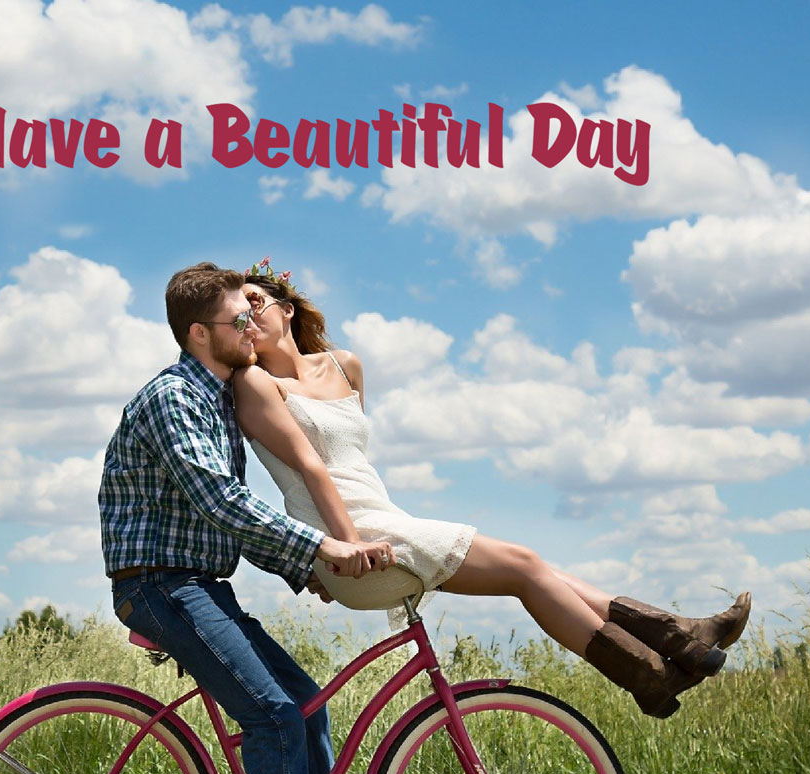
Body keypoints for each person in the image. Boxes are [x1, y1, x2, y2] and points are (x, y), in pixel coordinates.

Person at [233, 259, 751, 720]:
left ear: (286, 308)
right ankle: (654, 669)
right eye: (236, 315)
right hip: (351, 541)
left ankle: (677, 643)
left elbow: (353, 463)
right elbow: (313, 471)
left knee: (535, 569)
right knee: (526, 567)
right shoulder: (256, 385)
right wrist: (338, 549)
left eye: (255, 303)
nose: (247, 318)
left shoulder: (346, 366)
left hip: (382, 521)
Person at [98, 262, 401, 774]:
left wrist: (306, 569)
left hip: (200, 583)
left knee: (307, 705)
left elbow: (223, 523)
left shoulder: (217, 400)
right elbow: (222, 502)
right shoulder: (175, 398)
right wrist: (325, 547)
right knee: (275, 719)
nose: (253, 329)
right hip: (159, 585)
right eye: (242, 319)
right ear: (202, 333)